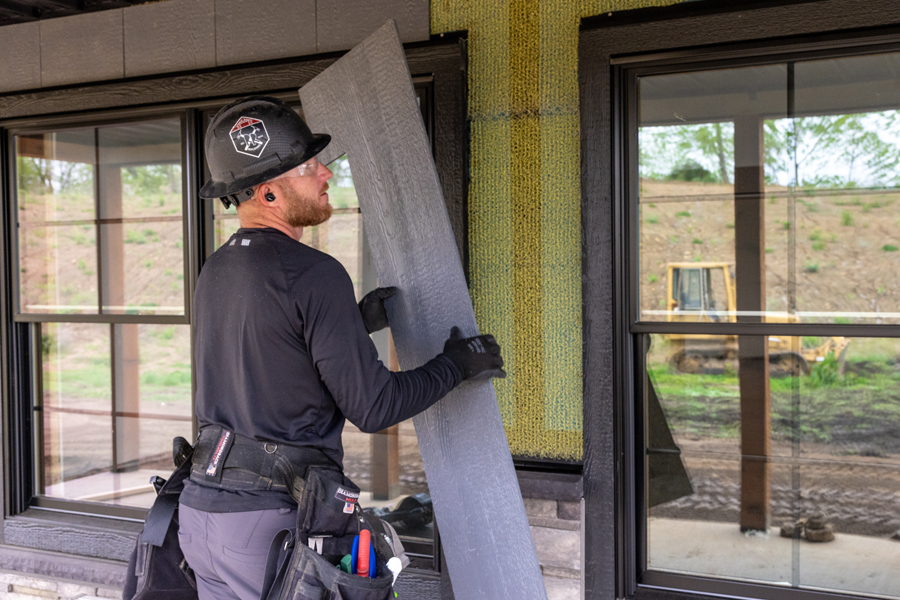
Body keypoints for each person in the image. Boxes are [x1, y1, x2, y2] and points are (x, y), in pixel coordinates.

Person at [179, 95, 506, 600]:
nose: (326, 174)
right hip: (268, 530)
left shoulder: (215, 270)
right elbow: (375, 407)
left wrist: (351, 324)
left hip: (201, 516)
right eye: (309, 167)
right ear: (269, 194)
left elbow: (275, 361)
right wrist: (457, 365)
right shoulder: (314, 274)